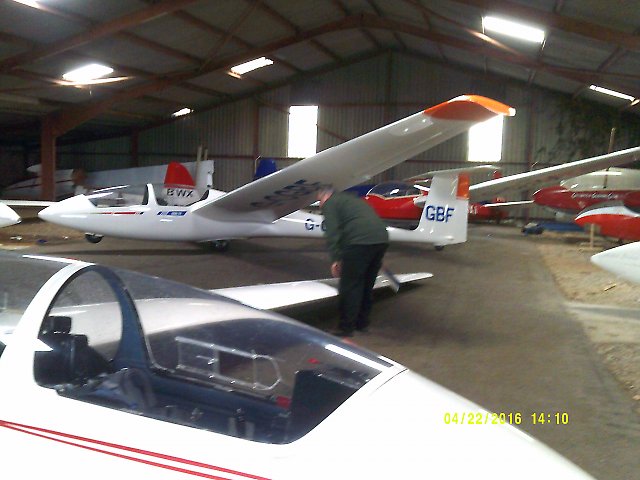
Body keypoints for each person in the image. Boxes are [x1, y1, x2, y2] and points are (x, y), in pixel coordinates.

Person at [317, 188, 390, 337]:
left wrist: (336, 259)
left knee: (350, 286)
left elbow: (332, 232)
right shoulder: (352, 200)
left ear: (325, 196)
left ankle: (345, 327)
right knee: (367, 285)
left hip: (359, 242)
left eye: (319, 200)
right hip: (381, 239)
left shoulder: (330, 203)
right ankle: (362, 324)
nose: (319, 205)